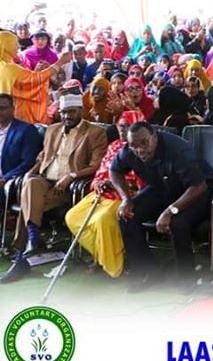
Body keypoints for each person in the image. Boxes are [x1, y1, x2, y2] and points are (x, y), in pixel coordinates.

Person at [1, 94, 109, 284]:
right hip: (45, 181)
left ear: (81, 111)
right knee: (30, 182)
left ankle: (22, 255)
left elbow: (97, 164)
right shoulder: (52, 129)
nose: (67, 116)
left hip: (68, 188)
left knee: (27, 201)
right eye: (63, 112)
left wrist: (71, 176)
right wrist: (30, 173)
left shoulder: (95, 132)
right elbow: (42, 158)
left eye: (71, 112)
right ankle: (33, 238)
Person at [112, 121, 208, 288]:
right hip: (162, 188)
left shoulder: (178, 150)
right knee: (127, 216)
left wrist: (170, 211)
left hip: (194, 193)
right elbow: (115, 170)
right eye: (134, 146)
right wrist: (126, 198)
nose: (140, 149)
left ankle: (187, 277)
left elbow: (199, 186)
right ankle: (148, 272)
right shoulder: (129, 150)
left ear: (154, 137)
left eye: (145, 143)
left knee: (177, 222)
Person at [64, 116, 143, 278]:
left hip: (124, 196)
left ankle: (113, 267)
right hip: (101, 193)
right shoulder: (113, 145)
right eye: (120, 126)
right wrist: (99, 183)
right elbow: (101, 171)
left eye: (128, 126)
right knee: (72, 217)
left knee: (101, 220)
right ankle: (103, 256)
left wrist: (114, 184)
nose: (123, 129)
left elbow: (140, 183)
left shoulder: (140, 149)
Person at [0, 30, 71, 124]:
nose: (18, 47)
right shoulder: (9, 68)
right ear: (7, 46)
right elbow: (35, 79)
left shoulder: (3, 65)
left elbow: (26, 79)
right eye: (15, 44)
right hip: (16, 112)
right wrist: (60, 62)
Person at [0, 94, 44, 202]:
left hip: (10, 181)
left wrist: (5, 178)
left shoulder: (27, 131)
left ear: (13, 108)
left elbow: (28, 163)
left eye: (2, 108)